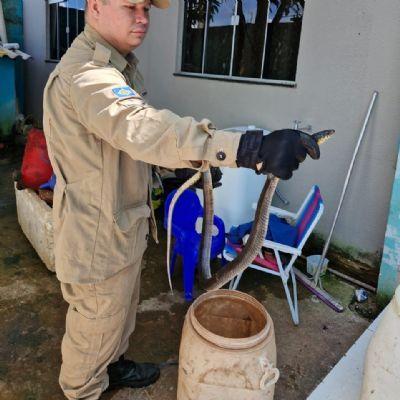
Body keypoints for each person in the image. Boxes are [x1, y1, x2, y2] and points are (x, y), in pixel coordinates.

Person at [43, 0, 319, 398]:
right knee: (95, 325)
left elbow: (120, 148)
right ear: (95, 6)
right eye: (130, 6)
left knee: (116, 317)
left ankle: (113, 365)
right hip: (96, 239)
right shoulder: (88, 77)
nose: (142, 18)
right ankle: (84, 388)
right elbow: (140, 127)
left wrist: (184, 167)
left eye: (146, 9)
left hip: (119, 229)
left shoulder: (116, 67)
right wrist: (246, 148)